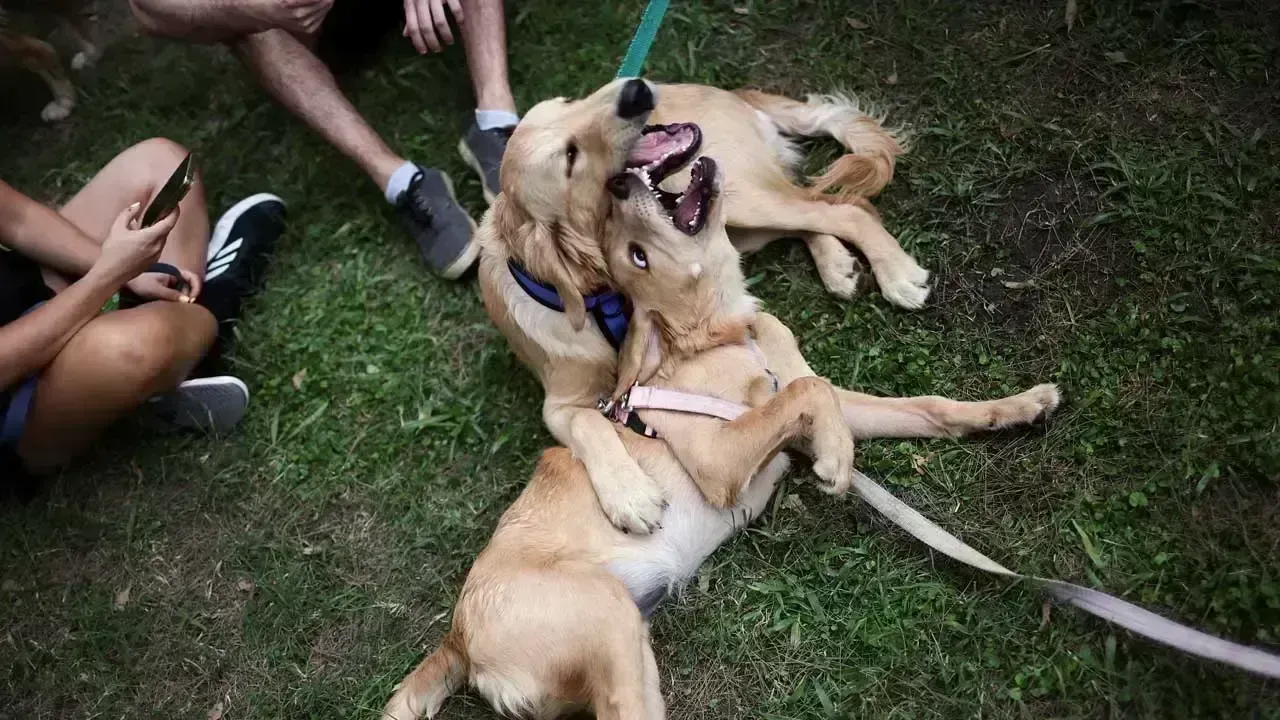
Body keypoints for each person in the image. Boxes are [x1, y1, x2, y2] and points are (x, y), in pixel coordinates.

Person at [128, 0, 520, 280]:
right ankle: (400, 182)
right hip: (313, 28)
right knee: (239, 16)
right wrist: (247, 8)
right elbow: (148, 10)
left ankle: (496, 122)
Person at [0, 137, 285, 491]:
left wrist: (126, 270)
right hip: (14, 407)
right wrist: (108, 275)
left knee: (160, 165)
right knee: (125, 349)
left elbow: (16, 219)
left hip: (23, 290)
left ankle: (174, 339)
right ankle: (218, 302)